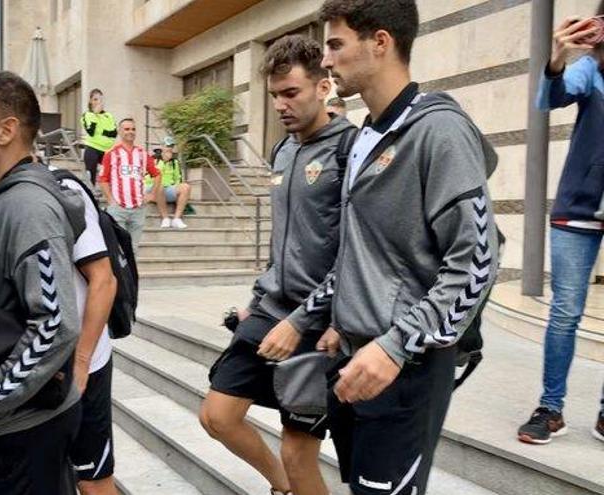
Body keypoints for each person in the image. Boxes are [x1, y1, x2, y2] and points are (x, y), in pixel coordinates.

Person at [288, 1, 499, 493]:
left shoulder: (440, 131)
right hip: (353, 359)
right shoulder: (364, 138)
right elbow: (363, 254)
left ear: (380, 42)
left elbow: (477, 264)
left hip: (406, 365)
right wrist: (337, 318)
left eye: (336, 45)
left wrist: (397, 345)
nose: (326, 60)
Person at [198, 35, 355, 495]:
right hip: (270, 310)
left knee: (297, 450)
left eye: (292, 93)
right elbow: (282, 238)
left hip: (315, 323)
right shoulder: (283, 151)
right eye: (275, 96)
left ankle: (294, 484)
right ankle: (283, 487)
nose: (281, 105)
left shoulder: (349, 150)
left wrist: (327, 320)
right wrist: (256, 300)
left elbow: (357, 252)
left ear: (323, 87)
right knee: (217, 416)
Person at [0, 71, 83, 495]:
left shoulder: (27, 206)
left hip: (24, 429)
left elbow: (57, 321)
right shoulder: (8, 198)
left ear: (7, 130)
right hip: (17, 431)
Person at [518, 4, 604, 445]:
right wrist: (557, 55)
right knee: (566, 312)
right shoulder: (590, 69)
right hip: (578, 209)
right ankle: (551, 408)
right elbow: (551, 98)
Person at [51, 170, 119, 495]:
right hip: (42, 370)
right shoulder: (6, 199)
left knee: (92, 482)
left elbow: (104, 281)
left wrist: (80, 360)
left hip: (82, 367)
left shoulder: (62, 189)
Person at [98, 118, 160, 253]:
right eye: (127, 129)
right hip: (118, 208)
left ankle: (131, 275)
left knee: (133, 249)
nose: (130, 132)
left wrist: (152, 194)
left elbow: (157, 174)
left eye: (133, 129)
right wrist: (110, 200)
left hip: (138, 208)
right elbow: (103, 179)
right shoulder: (111, 154)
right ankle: (119, 275)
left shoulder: (142, 154)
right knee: (118, 248)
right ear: (120, 131)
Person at [144, 137, 191, 229]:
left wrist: (178, 189)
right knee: (159, 186)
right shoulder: (153, 159)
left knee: (185, 187)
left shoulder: (174, 162)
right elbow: (152, 177)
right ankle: (165, 218)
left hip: (168, 189)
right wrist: (163, 161)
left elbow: (178, 178)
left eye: (171, 146)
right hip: (152, 187)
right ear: (162, 147)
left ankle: (176, 219)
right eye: (167, 146)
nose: (169, 148)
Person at [81, 89, 117, 185]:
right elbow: (91, 131)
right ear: (90, 101)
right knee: (90, 176)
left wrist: (101, 131)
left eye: (100, 100)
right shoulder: (87, 115)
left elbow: (113, 133)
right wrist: (95, 115)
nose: (98, 102)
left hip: (107, 150)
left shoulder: (108, 115)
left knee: (111, 175)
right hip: (92, 148)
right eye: (95, 99)